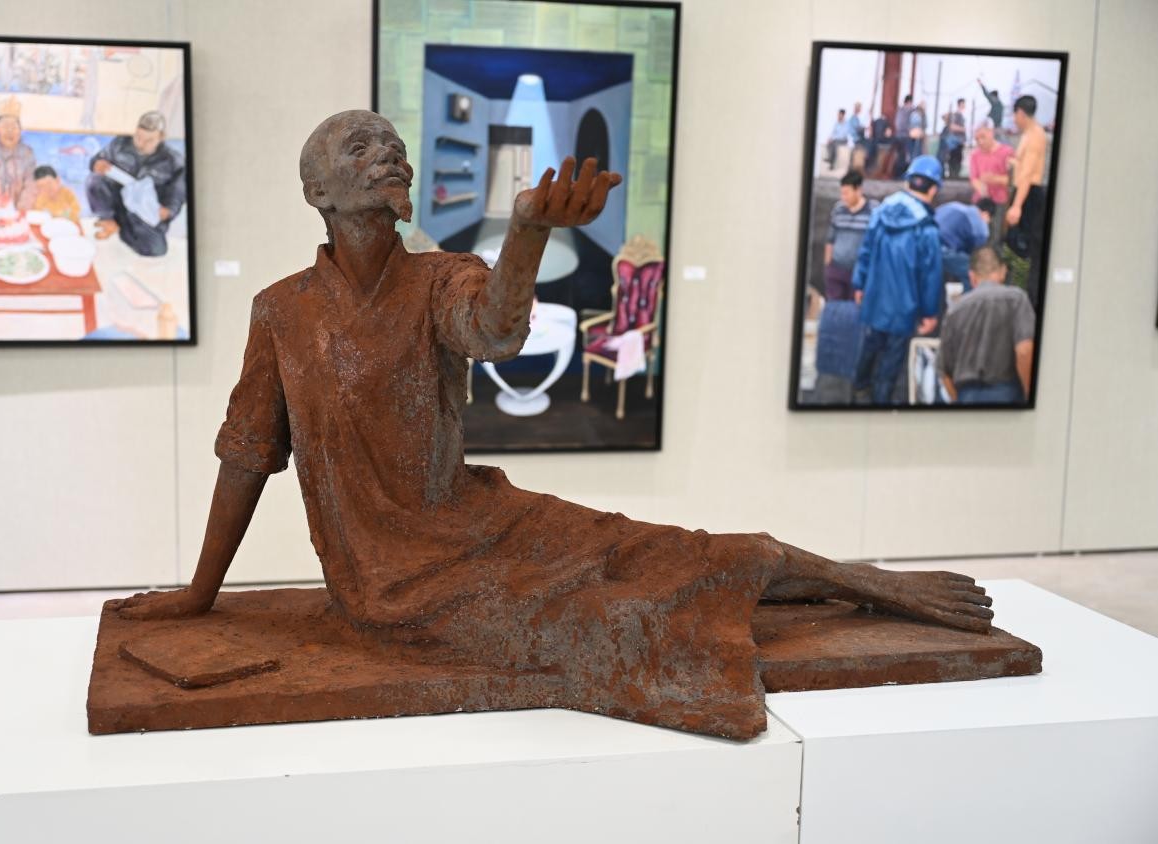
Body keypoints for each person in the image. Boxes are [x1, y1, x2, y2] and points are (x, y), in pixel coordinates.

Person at [115, 111, 992, 739]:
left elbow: (493, 331)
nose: (388, 153)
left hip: (482, 518)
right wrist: (200, 593)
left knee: (663, 547)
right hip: (393, 586)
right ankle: (803, 598)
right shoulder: (282, 312)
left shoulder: (439, 277)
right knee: (609, 614)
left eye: (393, 145)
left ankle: (860, 583)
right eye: (361, 146)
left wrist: (526, 233)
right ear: (317, 191)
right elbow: (247, 453)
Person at [851, 155, 944, 405]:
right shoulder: (927, 229)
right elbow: (931, 275)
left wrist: (859, 284)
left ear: (907, 182)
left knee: (869, 346)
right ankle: (881, 404)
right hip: (904, 308)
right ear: (933, 189)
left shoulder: (880, 212)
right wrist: (930, 313)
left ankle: (859, 389)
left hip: (874, 298)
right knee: (891, 361)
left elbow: (865, 250)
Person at [937, 246, 1035, 405]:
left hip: (967, 396)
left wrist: (958, 401)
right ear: (1003, 271)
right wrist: (1028, 393)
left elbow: (943, 370)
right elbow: (1024, 350)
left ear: (972, 276)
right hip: (1008, 394)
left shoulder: (955, 310)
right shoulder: (1017, 300)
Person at [87, 110, 186, 257]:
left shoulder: (174, 160)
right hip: (118, 202)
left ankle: (122, 228)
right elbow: (97, 159)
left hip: (142, 212)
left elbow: (178, 193)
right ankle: (109, 220)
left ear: (161, 137)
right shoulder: (120, 143)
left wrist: (169, 210)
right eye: (138, 137)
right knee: (95, 180)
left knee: (156, 249)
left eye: (149, 140)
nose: (141, 144)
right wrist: (97, 164)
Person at [1004, 95, 1048, 305]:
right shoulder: (1028, 134)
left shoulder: (1036, 135)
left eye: (1015, 115)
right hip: (1022, 192)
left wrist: (1017, 206)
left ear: (1021, 113)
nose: (1014, 119)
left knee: (1024, 249)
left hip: (1029, 195)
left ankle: (1025, 297)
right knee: (1013, 246)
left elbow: (1028, 174)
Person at [823, 169, 874, 301]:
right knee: (834, 307)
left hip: (858, 273)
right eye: (842, 193)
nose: (843, 197)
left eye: (846, 193)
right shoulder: (838, 209)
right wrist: (828, 266)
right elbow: (830, 239)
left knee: (854, 310)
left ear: (858, 190)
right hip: (836, 269)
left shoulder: (873, 211)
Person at [0, 96, 36, 210]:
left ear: (20, 130)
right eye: (5, 126)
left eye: (14, 127)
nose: (10, 131)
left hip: (22, 209)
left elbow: (30, 184)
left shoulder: (28, 153)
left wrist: (22, 208)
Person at [968, 122, 1013, 246]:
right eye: (977, 139)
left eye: (983, 137)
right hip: (980, 202)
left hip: (1000, 202)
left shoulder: (1007, 152)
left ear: (991, 133)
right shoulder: (975, 155)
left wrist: (995, 179)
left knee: (996, 237)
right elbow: (973, 178)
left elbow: (1012, 180)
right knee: (977, 235)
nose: (980, 142)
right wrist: (981, 189)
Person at [935, 198, 992, 291]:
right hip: (943, 250)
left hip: (926, 244)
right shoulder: (980, 225)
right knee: (974, 272)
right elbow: (977, 255)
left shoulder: (952, 205)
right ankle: (971, 298)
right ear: (986, 214)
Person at [944, 98, 968, 179]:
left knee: (958, 159)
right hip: (955, 142)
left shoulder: (961, 115)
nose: (964, 106)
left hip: (959, 142)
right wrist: (963, 129)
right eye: (963, 104)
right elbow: (952, 127)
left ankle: (955, 176)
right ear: (960, 104)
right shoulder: (956, 115)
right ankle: (953, 177)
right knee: (954, 159)